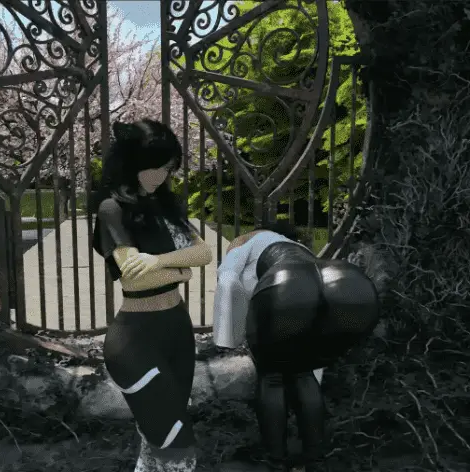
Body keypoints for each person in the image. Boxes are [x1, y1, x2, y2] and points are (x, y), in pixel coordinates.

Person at [92, 118, 213, 472]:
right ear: (132, 163)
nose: (161, 176)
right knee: (177, 445)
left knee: (155, 440)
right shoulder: (112, 209)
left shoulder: (166, 205)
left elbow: (204, 253)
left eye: (167, 168)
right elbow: (134, 279)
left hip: (177, 330)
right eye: (155, 167)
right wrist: (182, 271)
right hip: (136, 340)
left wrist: (159, 261)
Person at [213, 220, 380, 472]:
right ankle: (315, 458)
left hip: (289, 289)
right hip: (352, 285)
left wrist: (226, 340)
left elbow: (227, 280)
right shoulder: (302, 250)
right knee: (303, 373)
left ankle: (275, 460)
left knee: (272, 376)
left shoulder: (248, 241)